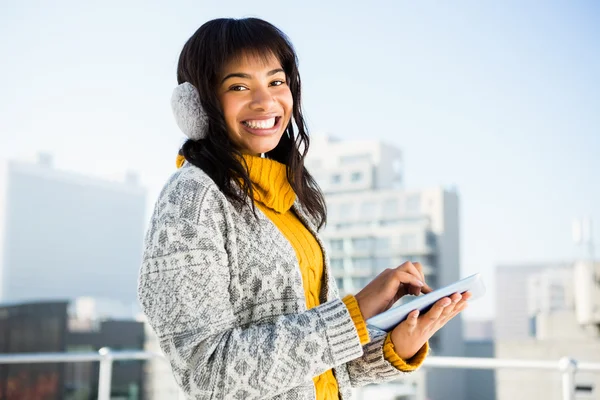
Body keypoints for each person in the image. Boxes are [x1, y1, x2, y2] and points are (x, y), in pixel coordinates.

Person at [138, 17, 470, 400]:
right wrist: (355, 311)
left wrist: (398, 343)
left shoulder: (289, 201)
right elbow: (208, 374)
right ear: (196, 105)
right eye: (239, 86)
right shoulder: (192, 201)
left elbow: (314, 366)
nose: (265, 101)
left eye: (276, 82)